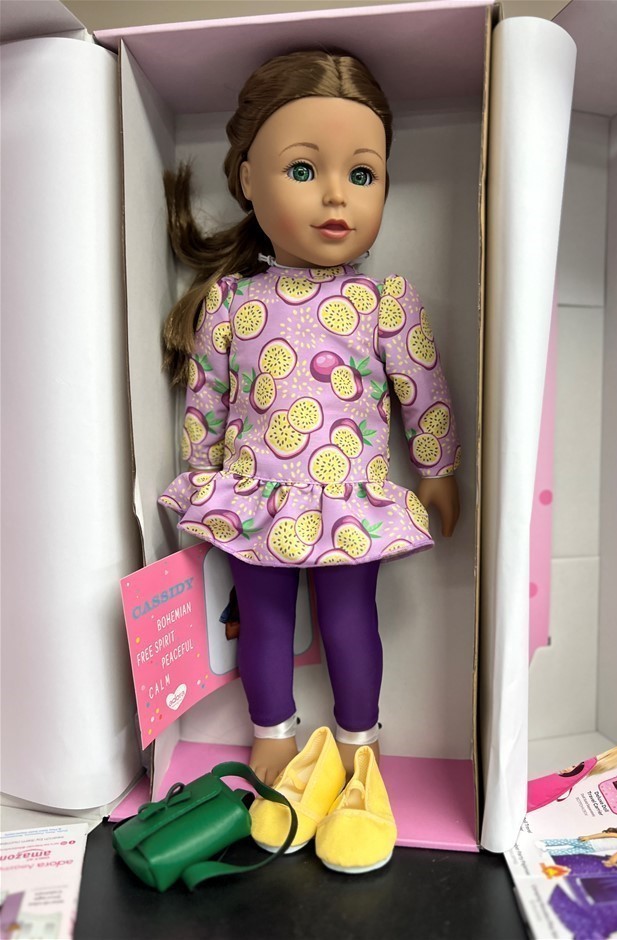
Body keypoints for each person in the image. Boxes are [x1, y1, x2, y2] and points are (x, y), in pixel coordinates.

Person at [158, 50, 461, 783]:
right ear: (246, 181)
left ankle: (359, 739)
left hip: (348, 499)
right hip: (253, 496)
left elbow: (423, 387)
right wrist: (200, 481)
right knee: (263, 622)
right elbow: (206, 398)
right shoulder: (231, 302)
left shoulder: (384, 301)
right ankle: (272, 734)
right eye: (302, 169)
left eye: (362, 175)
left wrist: (438, 469)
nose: (335, 196)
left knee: (351, 622)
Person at [538, 827, 617, 867]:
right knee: (567, 841)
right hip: (590, 842)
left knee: (571, 851)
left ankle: (548, 853)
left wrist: (611, 862)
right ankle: (544, 843)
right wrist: (588, 837)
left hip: (593, 849)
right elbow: (604, 835)